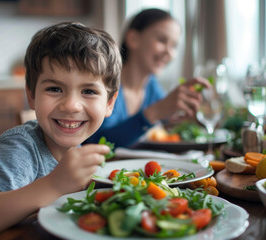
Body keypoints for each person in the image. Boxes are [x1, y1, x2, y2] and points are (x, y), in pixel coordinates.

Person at [0, 22, 122, 240]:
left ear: (109, 102)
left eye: (89, 91)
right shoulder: (19, 147)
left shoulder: (76, 149)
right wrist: (54, 184)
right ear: (31, 95)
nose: (71, 105)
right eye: (54, 89)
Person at [85, 8, 211, 148]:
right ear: (133, 39)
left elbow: (162, 126)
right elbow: (95, 142)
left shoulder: (152, 86)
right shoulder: (103, 84)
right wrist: (155, 112)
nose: (169, 53)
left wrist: (178, 121)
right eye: (162, 40)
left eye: (174, 45)